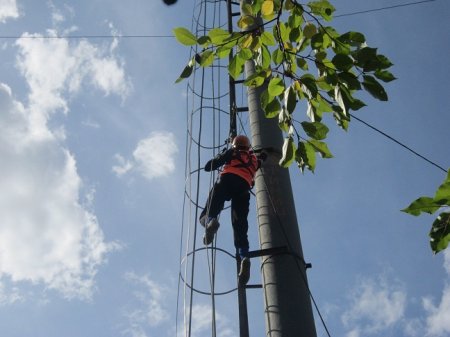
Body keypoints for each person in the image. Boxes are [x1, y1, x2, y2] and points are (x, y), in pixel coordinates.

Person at [199, 135, 264, 285]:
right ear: (248, 146)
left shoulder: (232, 153)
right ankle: (244, 256)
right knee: (240, 224)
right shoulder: (254, 160)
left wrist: (223, 155)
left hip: (227, 180)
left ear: (235, 145)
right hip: (244, 188)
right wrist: (264, 155)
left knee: (208, 211)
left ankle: (210, 222)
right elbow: (262, 160)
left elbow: (208, 167)